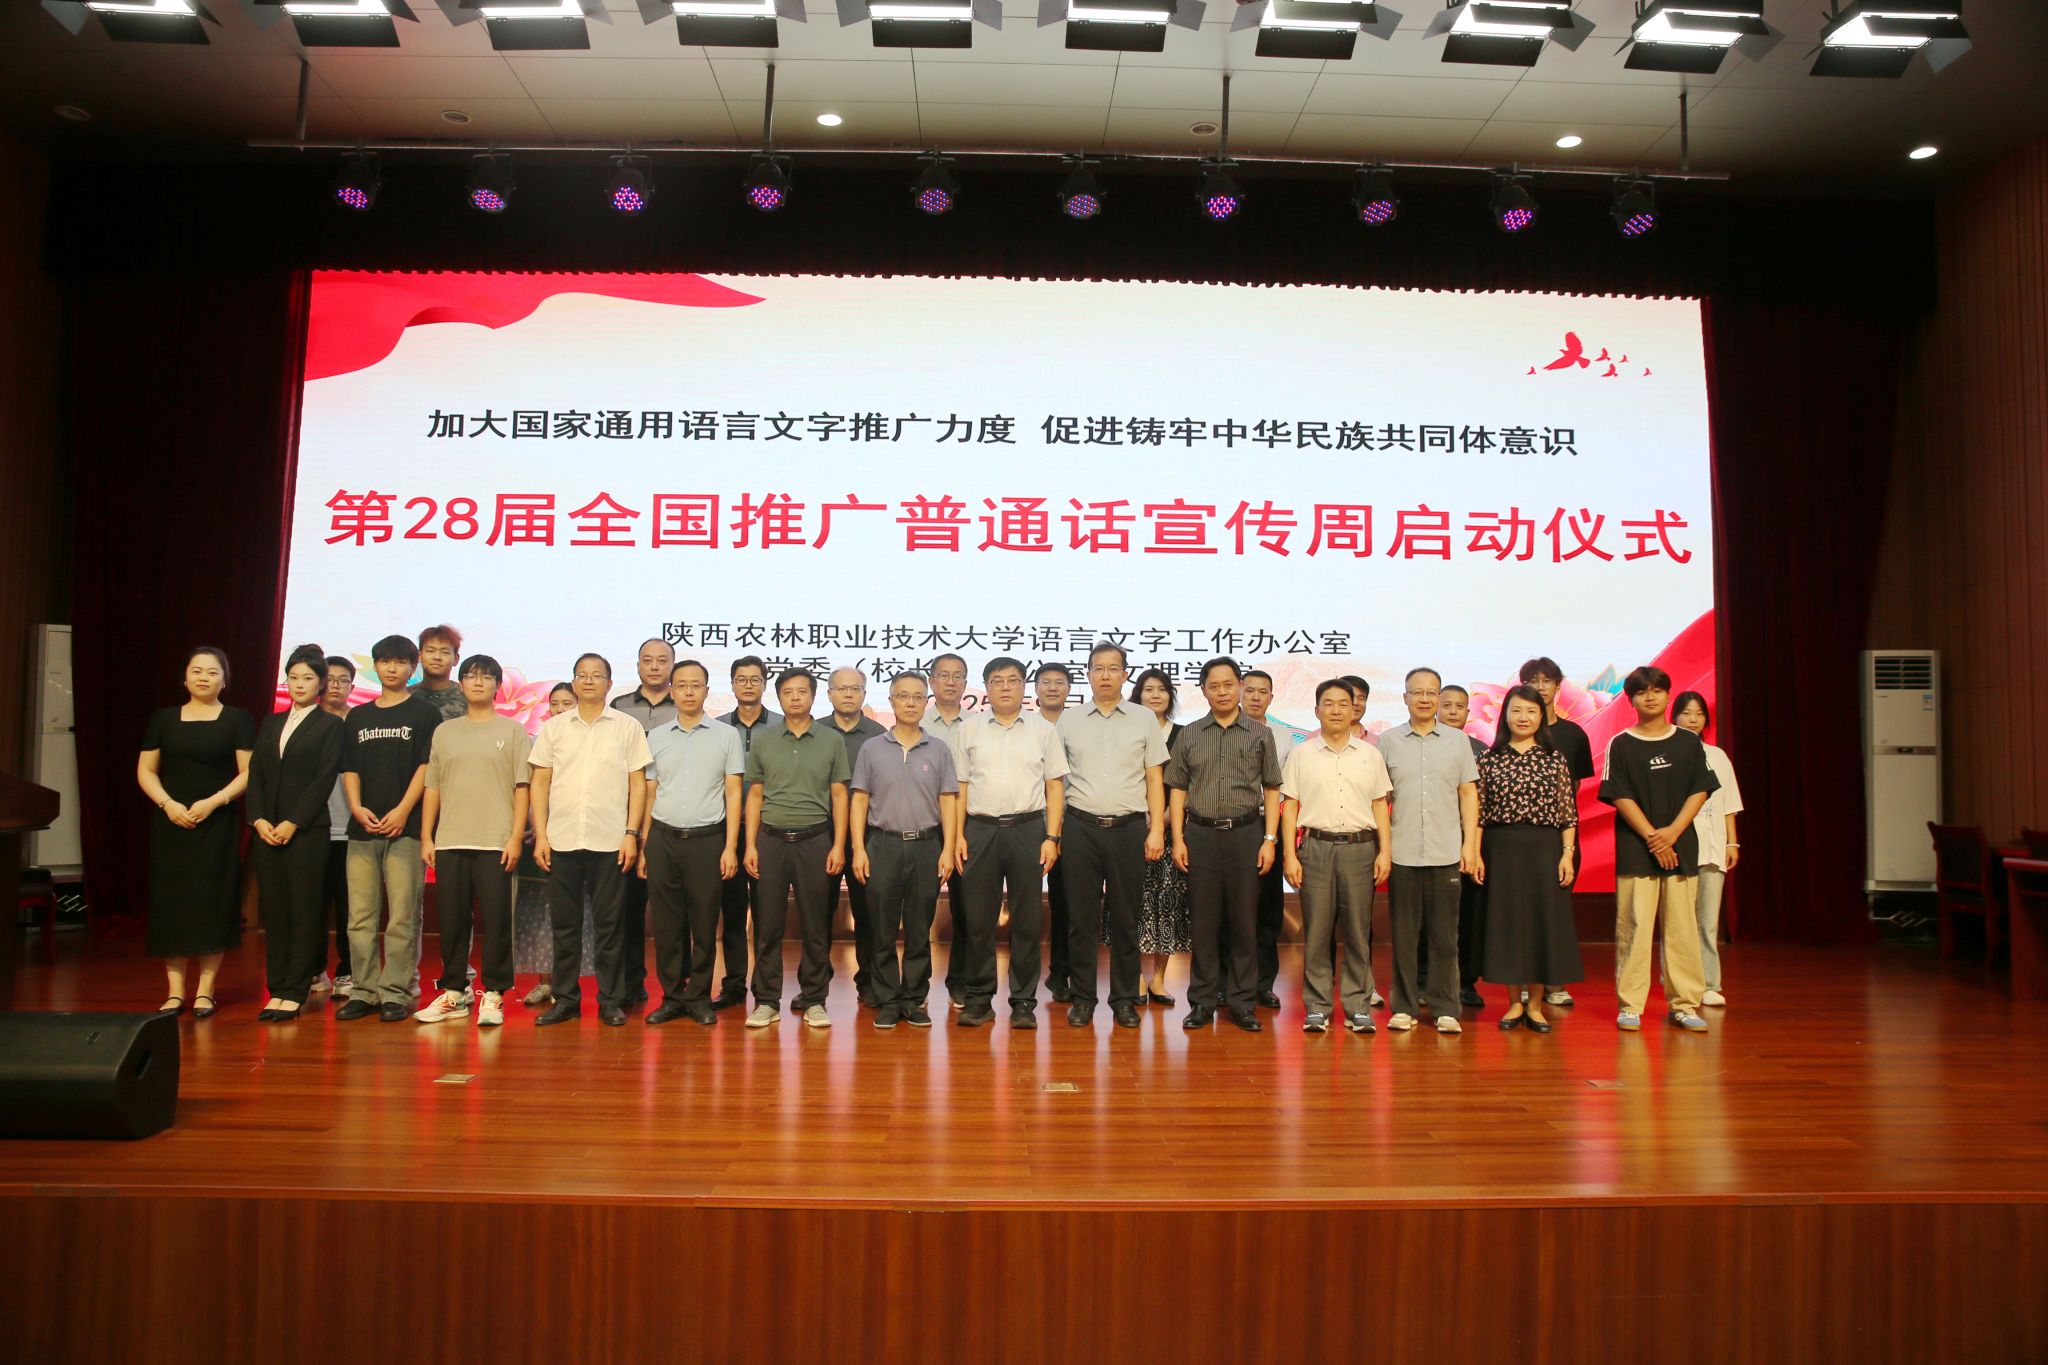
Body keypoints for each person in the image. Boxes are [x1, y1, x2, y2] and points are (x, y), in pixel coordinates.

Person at [528, 653, 650, 1026]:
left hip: (610, 841)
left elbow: (637, 784)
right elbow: (540, 783)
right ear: (574, 682)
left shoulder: (627, 727)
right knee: (564, 926)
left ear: (610, 684)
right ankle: (566, 999)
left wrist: (632, 834)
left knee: (609, 926)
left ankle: (610, 1000)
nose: (589, 681)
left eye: (597, 675)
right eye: (582, 675)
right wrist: (541, 835)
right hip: (562, 839)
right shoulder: (554, 728)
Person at [137, 646, 256, 1018]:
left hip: (216, 821)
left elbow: (249, 773)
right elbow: (145, 770)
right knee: (172, 903)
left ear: (225, 681)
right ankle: (175, 992)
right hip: (171, 821)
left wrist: (214, 802)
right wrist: (167, 804)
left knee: (212, 901)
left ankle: (206, 990)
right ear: (185, 677)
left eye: (212, 672)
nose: (204, 677)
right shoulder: (163, 719)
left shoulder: (237, 719)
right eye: (197, 671)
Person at [1600, 665, 1719, 1034]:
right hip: (1637, 850)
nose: (1649, 697)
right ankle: (1630, 1005)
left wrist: (1672, 833)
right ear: (1631, 699)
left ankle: (1684, 1004)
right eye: (1641, 692)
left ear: (1668, 695)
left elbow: (1700, 789)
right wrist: (1654, 837)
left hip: (1681, 846)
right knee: (1634, 927)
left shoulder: (1687, 742)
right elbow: (1619, 794)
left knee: (1682, 928)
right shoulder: (1621, 743)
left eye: (1656, 690)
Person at [1168, 658, 1283, 1033]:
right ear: (1203, 690)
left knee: (1244, 922)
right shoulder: (1189, 734)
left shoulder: (1259, 734)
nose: (1222, 692)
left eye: (1229, 684)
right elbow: (1178, 789)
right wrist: (1178, 838)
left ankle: (1242, 1003)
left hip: (1246, 834)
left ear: (1240, 687)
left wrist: (1269, 839)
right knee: (1203, 922)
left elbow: (1271, 788)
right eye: (1214, 686)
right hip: (1200, 836)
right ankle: (1202, 1001)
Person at [416, 655, 531, 1028]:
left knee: (497, 922)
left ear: (498, 685)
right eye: (470, 676)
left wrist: (515, 837)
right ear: (461, 683)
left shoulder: (512, 731)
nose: (478, 682)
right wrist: (427, 836)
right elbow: (433, 785)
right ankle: (454, 992)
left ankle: (494, 993)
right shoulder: (445, 732)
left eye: (486, 677)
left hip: (496, 842)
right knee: (451, 920)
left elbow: (522, 787)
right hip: (450, 840)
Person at [952, 656, 1067, 1030]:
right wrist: (957, 835)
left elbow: (1054, 787)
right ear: (986, 688)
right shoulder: (969, 729)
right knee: (978, 920)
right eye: (997, 681)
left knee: (1028, 921)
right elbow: (960, 787)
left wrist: (1052, 837)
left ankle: (1023, 1002)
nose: (1005, 687)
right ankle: (979, 999)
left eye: (1013, 680)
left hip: (1028, 829)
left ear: (1024, 687)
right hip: (979, 830)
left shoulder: (1042, 730)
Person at [1059, 643, 1168, 1029]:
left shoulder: (1143, 718)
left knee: (1126, 918)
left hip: (1129, 829)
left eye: (1113, 668)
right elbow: (1055, 781)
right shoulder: (1069, 720)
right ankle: (1083, 999)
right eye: (1098, 668)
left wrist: (1157, 830)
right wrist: (1055, 833)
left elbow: (1154, 778)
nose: (1105, 675)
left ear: (1125, 674)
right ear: (1088, 674)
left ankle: (1123, 999)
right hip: (1080, 827)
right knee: (1081, 920)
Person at [335, 635, 441, 1023]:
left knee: (403, 915)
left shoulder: (425, 714)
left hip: (406, 828)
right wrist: (356, 807)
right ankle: (364, 990)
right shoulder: (358, 717)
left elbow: (427, 767)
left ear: (413, 667)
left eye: (400, 662)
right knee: (360, 916)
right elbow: (349, 767)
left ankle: (396, 991)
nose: (392, 668)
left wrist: (402, 810)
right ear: (375, 666)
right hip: (363, 828)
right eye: (385, 661)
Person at [1281, 679, 1392, 1034]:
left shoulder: (1370, 755)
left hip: (1361, 848)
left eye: (1343, 703)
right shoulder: (1302, 754)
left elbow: (1380, 805)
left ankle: (1358, 1007)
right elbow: (1290, 806)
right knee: (1316, 931)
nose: (1336, 710)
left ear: (1354, 709)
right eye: (1328, 703)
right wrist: (1290, 855)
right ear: (1316, 710)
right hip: (1315, 848)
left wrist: (1385, 852)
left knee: (1358, 931)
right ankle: (1317, 1007)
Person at [639, 658, 743, 1027]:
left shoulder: (726, 736)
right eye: (681, 685)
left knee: (704, 922)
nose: (688, 691)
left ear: (706, 691)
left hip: (707, 840)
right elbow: (650, 792)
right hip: (663, 838)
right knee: (667, 926)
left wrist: (730, 847)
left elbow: (734, 793)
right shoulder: (656, 737)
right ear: (671, 691)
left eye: (695, 685)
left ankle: (698, 996)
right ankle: (672, 996)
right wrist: (644, 845)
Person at [1472, 684, 1582, 1033]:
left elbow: (1567, 813)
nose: (1524, 717)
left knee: (1540, 925)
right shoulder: (1488, 759)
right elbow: (1478, 813)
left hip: (1544, 850)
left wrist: (1567, 854)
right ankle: (1513, 1003)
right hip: (1501, 850)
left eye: (1531, 711)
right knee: (1507, 925)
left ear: (1541, 717)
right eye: (1517, 710)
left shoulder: (1554, 759)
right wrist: (1476, 853)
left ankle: (1535, 1006)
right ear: (1505, 715)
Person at [852, 672, 959, 1029]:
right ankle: (887, 999)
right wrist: (858, 848)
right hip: (882, 845)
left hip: (927, 846)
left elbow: (948, 800)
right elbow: (859, 800)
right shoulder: (871, 748)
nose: (910, 703)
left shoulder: (939, 749)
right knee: (881, 929)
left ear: (926, 702)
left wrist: (947, 848)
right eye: (903, 696)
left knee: (918, 929)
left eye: (917, 697)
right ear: (892, 701)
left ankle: (913, 999)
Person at [743, 668, 849, 1029]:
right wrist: (750, 845)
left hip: (816, 839)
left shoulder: (831, 740)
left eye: (802, 691)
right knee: (767, 924)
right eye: (788, 692)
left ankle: (815, 999)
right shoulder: (764, 739)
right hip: (770, 841)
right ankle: (766, 1000)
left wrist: (838, 844)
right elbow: (755, 795)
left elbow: (840, 795)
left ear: (813, 696)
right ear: (779, 697)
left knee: (815, 923)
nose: (795, 697)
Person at [244, 645, 344, 1022]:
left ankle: (296, 989)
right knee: (275, 910)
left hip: (306, 831)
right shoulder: (271, 723)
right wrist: (258, 819)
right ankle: (277, 987)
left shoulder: (330, 725)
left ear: (321, 684)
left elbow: (324, 779)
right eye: (293, 677)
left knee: (305, 909)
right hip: (267, 829)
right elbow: (257, 775)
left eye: (308, 678)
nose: (299, 684)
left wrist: (293, 822)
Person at [1378, 667, 1480, 1035]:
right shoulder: (1388, 741)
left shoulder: (1457, 741)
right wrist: (1382, 849)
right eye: (1416, 692)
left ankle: (1445, 1008)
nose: (1424, 699)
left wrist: (1470, 845)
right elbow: (1381, 799)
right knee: (1405, 937)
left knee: (1445, 937)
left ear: (1438, 697)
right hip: (1402, 852)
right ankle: (1404, 1006)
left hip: (1446, 851)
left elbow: (1468, 793)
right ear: (1405, 697)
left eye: (1430, 692)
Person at [609, 637, 677, 1009]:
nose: (654, 666)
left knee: (672, 911)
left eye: (662, 660)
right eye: (647, 660)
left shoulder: (684, 707)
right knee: (626, 908)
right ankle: (630, 983)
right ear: (637, 666)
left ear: (672, 666)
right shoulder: (619, 708)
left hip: (671, 818)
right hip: (624, 819)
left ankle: (676, 989)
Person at [1119, 667, 1190, 1004]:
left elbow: (1186, 783)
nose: (1155, 695)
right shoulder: (1128, 730)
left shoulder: (1184, 734)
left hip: (1172, 831)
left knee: (1168, 903)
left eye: (1162, 689)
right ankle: (1134, 976)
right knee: (1131, 903)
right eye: (1148, 689)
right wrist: (1144, 819)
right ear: (1138, 695)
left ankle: (1159, 978)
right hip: (1131, 826)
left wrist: (1163, 821)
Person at [716, 655, 781, 1010]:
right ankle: (733, 984)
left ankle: (765, 988)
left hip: (769, 830)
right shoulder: (717, 728)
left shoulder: (782, 726)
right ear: (732, 684)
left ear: (765, 684)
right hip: (726, 831)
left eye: (755, 679)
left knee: (767, 912)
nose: (748, 685)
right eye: (741, 679)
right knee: (732, 910)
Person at [1671, 690, 1742, 1008]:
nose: (1693, 719)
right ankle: (1677, 980)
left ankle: (1709, 983)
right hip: (1679, 848)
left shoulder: (1718, 756)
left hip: (1713, 848)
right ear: (1674, 716)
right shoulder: (1668, 755)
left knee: (1708, 920)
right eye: (1686, 713)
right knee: (1677, 920)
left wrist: (1732, 841)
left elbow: (1729, 803)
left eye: (1699, 714)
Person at [822, 667, 886, 1007]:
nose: (848, 694)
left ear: (864, 693)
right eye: (841, 688)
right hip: (822, 834)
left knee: (868, 912)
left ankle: (870, 982)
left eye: (855, 688)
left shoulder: (879, 736)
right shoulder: (815, 732)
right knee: (819, 911)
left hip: (867, 837)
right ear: (829, 693)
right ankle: (814, 985)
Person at [1430, 684, 1491, 1010]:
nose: (1453, 711)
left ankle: (1465, 982)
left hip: (1470, 843)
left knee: (1467, 915)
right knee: (1427, 917)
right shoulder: (1423, 746)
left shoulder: (1482, 750)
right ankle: (1424, 980)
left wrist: (1474, 845)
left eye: (1459, 706)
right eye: (1447, 705)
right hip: (1430, 842)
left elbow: (1485, 801)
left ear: (1469, 712)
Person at [522, 683, 580, 1008]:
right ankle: (544, 982)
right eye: (554, 703)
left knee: (574, 915)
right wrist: (535, 826)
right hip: (541, 837)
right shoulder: (537, 740)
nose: (559, 709)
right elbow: (530, 788)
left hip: (578, 837)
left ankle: (568, 985)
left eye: (566, 703)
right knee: (541, 914)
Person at [1237, 669, 1292, 1009]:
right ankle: (1227, 982)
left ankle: (1263, 983)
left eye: (1263, 692)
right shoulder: (1224, 730)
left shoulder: (1283, 736)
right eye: (1250, 691)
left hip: (1270, 823)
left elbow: (1286, 787)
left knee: (1268, 907)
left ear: (1272, 697)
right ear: (1240, 693)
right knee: (1232, 907)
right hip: (1233, 824)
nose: (1256, 697)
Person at [922, 652, 972, 1007]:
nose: (950, 682)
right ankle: (916, 985)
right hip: (925, 826)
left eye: (957, 676)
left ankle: (961, 982)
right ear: (931, 681)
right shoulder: (917, 723)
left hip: (968, 828)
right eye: (943, 675)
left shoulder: (979, 724)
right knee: (919, 910)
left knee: (966, 908)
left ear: (966, 684)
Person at [311, 655, 357, 999]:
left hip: (350, 827)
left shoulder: (360, 722)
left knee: (348, 905)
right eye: (330, 679)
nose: (336, 686)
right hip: (311, 825)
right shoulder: (307, 722)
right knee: (313, 903)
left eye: (343, 680)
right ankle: (314, 969)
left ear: (352, 687)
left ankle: (347, 970)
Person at [1033, 663, 1078, 1002]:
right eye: (1045, 682)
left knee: (1067, 901)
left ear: (1069, 688)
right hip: (1030, 823)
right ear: (1035, 688)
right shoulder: (1026, 726)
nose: (1052, 687)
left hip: (1071, 825)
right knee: (1027, 901)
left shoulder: (1079, 725)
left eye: (1059, 682)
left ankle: (1062, 972)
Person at [413, 624, 469, 723]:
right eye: (430, 651)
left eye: (445, 652)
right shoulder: (406, 696)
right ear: (419, 656)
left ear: (456, 659)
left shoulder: (468, 697)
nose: (437, 657)